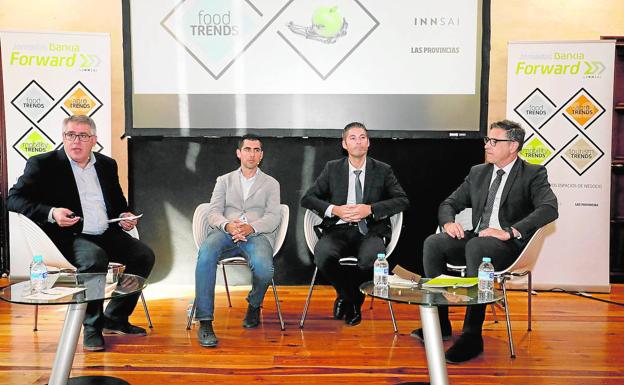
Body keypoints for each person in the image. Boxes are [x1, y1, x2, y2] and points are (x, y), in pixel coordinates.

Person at [413, 119, 558, 363]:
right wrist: (449, 223)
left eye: (494, 141)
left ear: (513, 146)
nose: (487, 146)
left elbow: (549, 208)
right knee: (434, 243)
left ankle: (472, 334)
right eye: (487, 140)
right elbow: (449, 203)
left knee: (477, 247)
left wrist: (510, 231)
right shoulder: (478, 172)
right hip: (478, 239)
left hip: (508, 247)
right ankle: (440, 323)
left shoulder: (533, 173)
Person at [8, 115, 155, 352]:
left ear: (94, 140)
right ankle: (92, 327)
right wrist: (52, 212)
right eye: (70, 135)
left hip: (105, 231)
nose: (76, 141)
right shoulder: (43, 164)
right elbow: (13, 199)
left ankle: (115, 317)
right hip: (68, 237)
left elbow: (117, 203)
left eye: (83, 136)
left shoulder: (107, 165)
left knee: (144, 255)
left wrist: (125, 216)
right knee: (95, 259)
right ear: (63, 137)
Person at [301, 122, 409, 326]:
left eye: (362, 137)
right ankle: (350, 299)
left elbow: (402, 200)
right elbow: (308, 198)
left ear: (368, 143)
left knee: (370, 260)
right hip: (338, 229)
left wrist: (371, 209)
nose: (358, 142)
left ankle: (350, 301)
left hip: (370, 230)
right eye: (352, 138)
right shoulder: (332, 168)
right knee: (322, 255)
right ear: (344, 144)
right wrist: (335, 209)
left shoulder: (382, 170)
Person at [195, 134, 281, 348]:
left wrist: (251, 227)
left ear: (261, 155)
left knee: (264, 269)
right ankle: (205, 322)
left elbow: (273, 217)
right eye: (248, 149)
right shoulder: (224, 180)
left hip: (256, 234)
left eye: (256, 150)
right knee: (205, 254)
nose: (252, 154)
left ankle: (254, 305)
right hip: (225, 232)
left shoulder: (271, 183)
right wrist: (228, 225)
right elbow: (213, 212)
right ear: (239, 153)